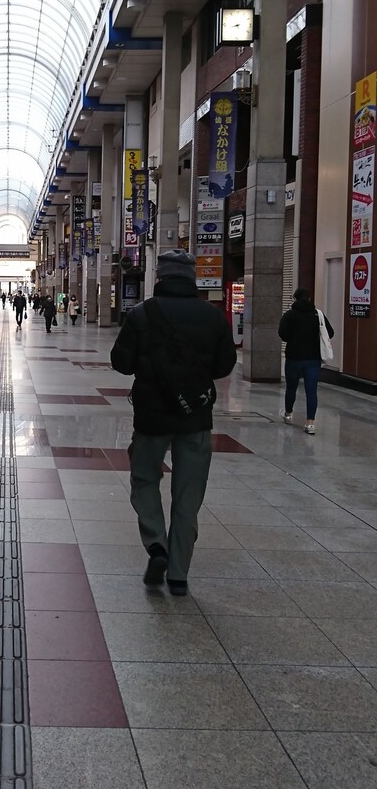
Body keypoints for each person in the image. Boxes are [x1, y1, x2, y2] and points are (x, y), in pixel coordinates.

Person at [110, 250, 236, 596]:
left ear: (160, 276)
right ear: (192, 278)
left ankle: (156, 544)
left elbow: (121, 363)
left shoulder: (142, 314)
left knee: (144, 478)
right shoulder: (212, 316)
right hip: (195, 415)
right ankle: (178, 574)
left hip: (151, 416)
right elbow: (224, 365)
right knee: (188, 492)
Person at [278, 287, 334, 434]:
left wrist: (294, 338)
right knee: (311, 391)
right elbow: (330, 332)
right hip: (313, 359)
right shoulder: (317, 314)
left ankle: (288, 414)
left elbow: (282, 334)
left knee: (291, 388)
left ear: (295, 299)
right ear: (309, 299)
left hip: (293, 358)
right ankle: (310, 423)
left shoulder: (289, 315)